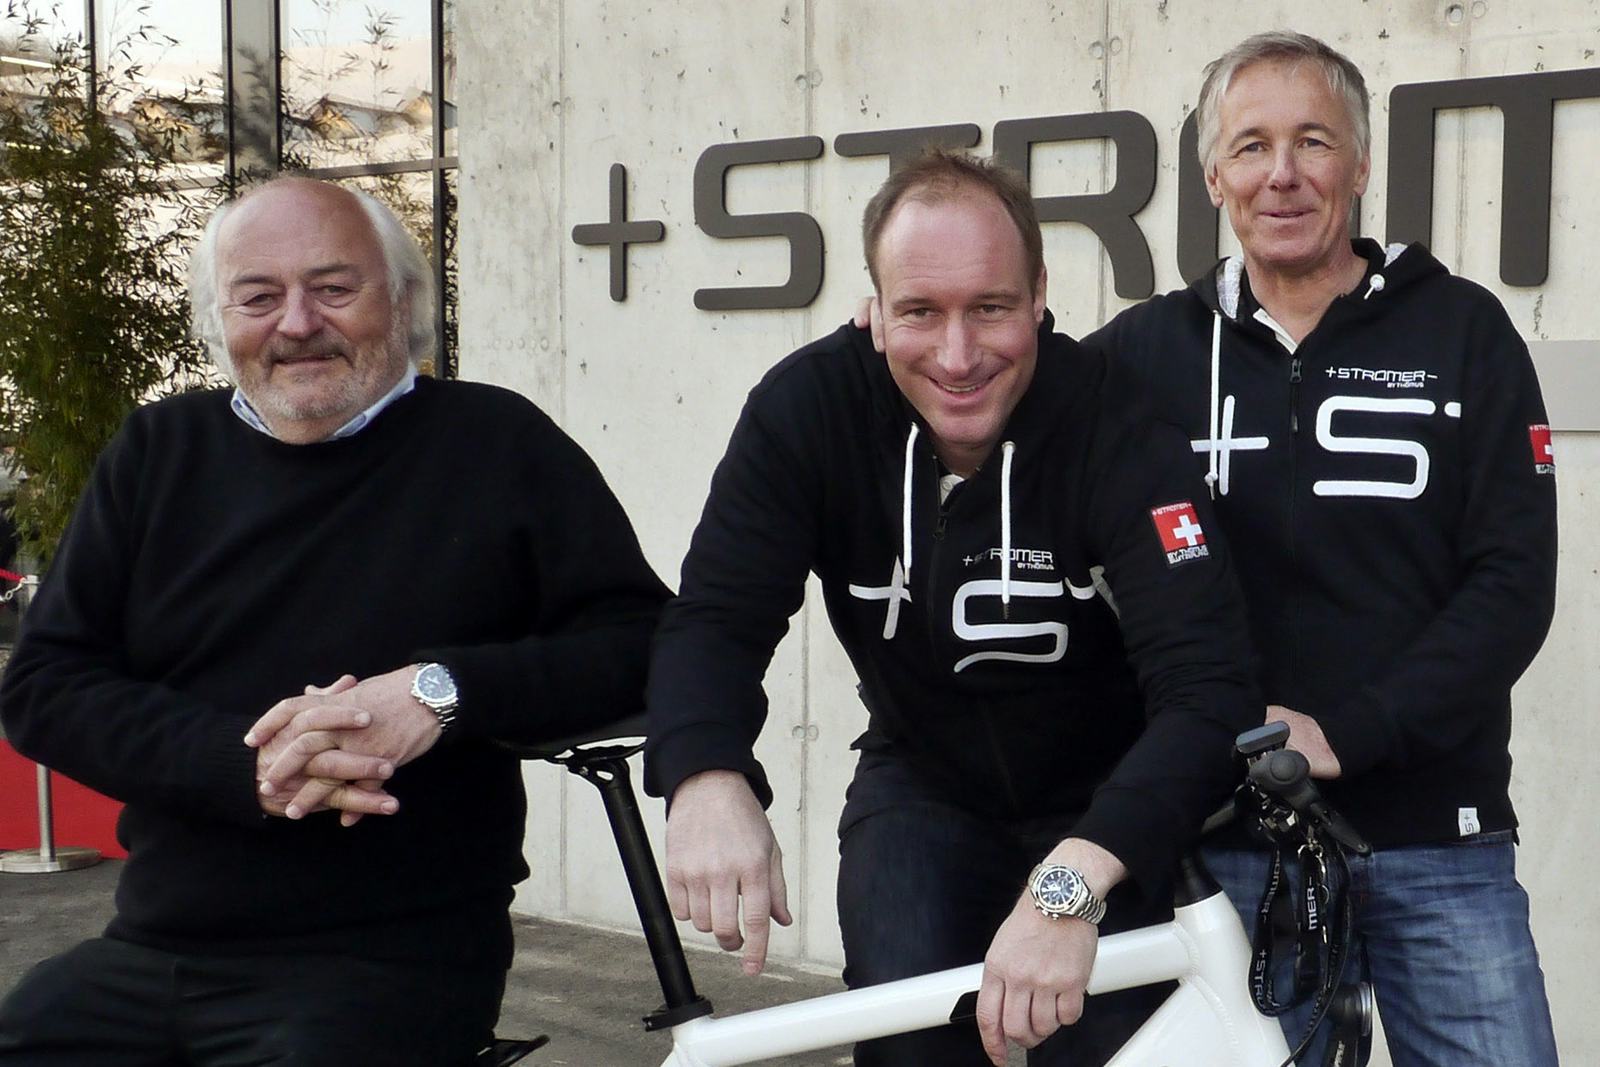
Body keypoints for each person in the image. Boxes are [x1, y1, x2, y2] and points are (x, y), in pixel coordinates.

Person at [0, 177, 669, 1066]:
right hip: (155, 947)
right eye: (259, 296)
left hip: (392, 959)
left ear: (404, 300)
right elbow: (46, 684)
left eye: (334, 287)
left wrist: (440, 692)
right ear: (220, 317)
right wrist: (247, 763)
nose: (297, 322)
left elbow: (648, 640)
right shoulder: (159, 452)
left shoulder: (497, 443)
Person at [645, 149, 1261, 1067]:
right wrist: (704, 772)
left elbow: (1211, 690)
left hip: (1107, 801)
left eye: (991, 307)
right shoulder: (808, 408)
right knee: (908, 1043)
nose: (958, 355)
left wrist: (1070, 888)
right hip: (921, 779)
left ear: (1040, 294)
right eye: (921, 311)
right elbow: (717, 617)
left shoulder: (1118, 428)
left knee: (1096, 1045)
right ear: (876, 306)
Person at [1081, 31, 1560, 1065]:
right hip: (1231, 845)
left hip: (1442, 835)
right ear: (1213, 174)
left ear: (1360, 161)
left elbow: (1513, 584)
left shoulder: (1465, 333)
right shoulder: (1141, 355)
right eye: (1251, 146)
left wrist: (1351, 729)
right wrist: (866, 346)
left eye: (1313, 141)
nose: (1282, 173)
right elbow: (981, 389)